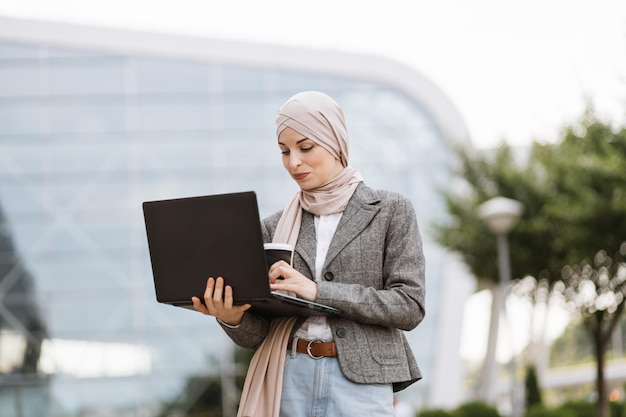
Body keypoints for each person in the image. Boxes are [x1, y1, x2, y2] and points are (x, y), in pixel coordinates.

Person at [192, 91, 426, 417]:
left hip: (361, 383)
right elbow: (259, 333)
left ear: (335, 142)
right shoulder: (271, 228)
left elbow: (409, 306)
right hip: (288, 378)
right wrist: (231, 317)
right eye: (284, 151)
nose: (293, 162)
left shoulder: (390, 210)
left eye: (305, 148)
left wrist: (317, 292)